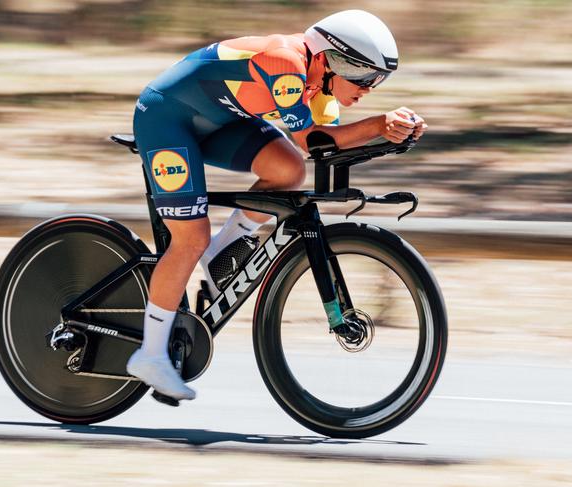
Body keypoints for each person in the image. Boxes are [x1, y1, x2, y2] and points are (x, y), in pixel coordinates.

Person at [127, 9, 428, 401]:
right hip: (167, 118)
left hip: (220, 119)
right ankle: (150, 354)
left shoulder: (319, 86)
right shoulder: (287, 64)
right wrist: (376, 124)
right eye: (366, 77)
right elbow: (312, 140)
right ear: (333, 61)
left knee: (287, 171)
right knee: (190, 238)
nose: (369, 88)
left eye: (379, 80)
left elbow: (326, 145)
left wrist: (395, 132)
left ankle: (224, 248)